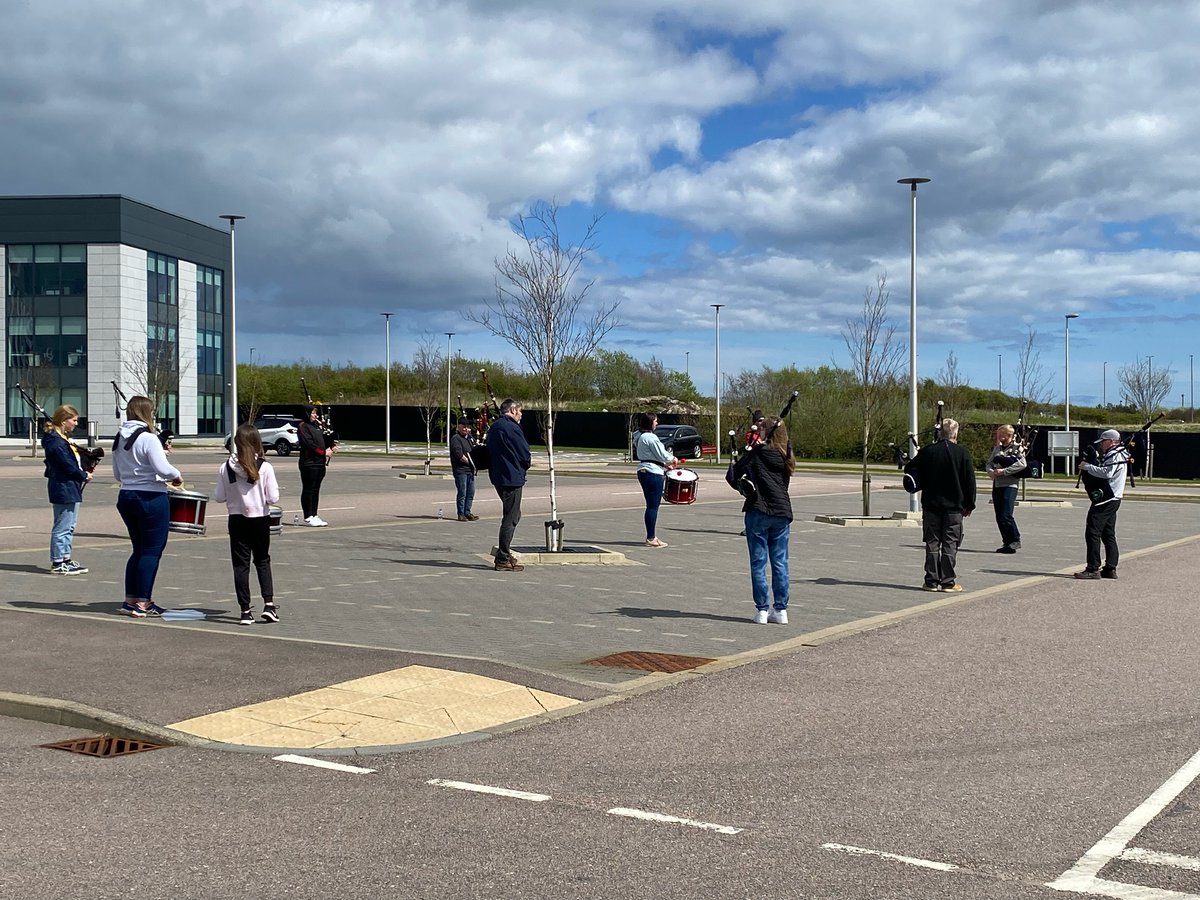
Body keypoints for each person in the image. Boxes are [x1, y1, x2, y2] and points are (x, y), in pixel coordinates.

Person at [112, 396, 183, 617]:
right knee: (152, 551)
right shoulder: (149, 438)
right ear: (146, 413)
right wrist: (177, 475)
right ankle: (143, 602)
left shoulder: (119, 438)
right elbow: (163, 469)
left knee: (138, 549)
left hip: (126, 495)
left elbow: (116, 473)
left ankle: (130, 599)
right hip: (150, 497)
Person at [214, 423, 281, 625]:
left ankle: (245, 611)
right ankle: (268, 605)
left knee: (240, 566)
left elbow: (218, 497)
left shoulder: (226, 467)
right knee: (262, 560)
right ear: (256, 442)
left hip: (236, 519)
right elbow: (273, 498)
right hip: (259, 519)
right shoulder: (265, 467)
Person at [903, 417, 977, 592]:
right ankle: (948, 581)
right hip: (954, 506)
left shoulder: (928, 451)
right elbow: (970, 482)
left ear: (939, 433)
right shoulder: (963, 453)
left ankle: (931, 581)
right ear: (955, 433)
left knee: (932, 542)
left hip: (931, 504)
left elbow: (909, 468)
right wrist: (969, 504)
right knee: (951, 542)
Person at [740, 416, 794, 625]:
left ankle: (762, 610)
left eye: (762, 429)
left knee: (758, 562)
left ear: (767, 432)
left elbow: (733, 473)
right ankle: (781, 610)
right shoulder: (785, 455)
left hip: (758, 510)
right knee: (780, 562)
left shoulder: (756, 453)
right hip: (782, 512)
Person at [42, 405, 92, 575]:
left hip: (70, 486)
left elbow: (73, 461)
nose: (76, 424)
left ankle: (65, 558)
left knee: (70, 524)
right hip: (63, 486)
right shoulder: (55, 441)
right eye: (74, 420)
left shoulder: (63, 439)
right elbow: (67, 465)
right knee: (63, 525)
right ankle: (57, 562)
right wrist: (82, 475)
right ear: (64, 421)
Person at [1075, 428, 1129, 580]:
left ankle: (1093, 568)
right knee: (1108, 533)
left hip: (1106, 497)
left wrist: (1087, 467)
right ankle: (1110, 568)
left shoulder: (1114, 454)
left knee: (1093, 531)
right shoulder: (1122, 453)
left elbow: (1107, 473)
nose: (1101, 445)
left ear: (1111, 441)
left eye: (1103, 442)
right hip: (1115, 497)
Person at [486, 398, 531, 572]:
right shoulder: (512, 427)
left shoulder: (495, 426)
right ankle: (503, 558)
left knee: (514, 514)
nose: (521, 415)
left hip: (498, 476)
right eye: (520, 411)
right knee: (511, 517)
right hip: (511, 477)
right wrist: (525, 464)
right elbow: (523, 452)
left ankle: (504, 554)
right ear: (512, 410)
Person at [633, 412, 678, 548]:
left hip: (643, 470)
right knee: (653, 506)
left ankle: (651, 536)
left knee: (650, 505)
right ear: (650, 423)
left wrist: (664, 466)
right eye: (655, 421)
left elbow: (650, 456)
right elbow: (662, 454)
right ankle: (651, 537)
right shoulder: (651, 437)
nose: (657, 423)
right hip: (652, 473)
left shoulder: (639, 436)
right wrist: (673, 459)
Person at [987, 424, 1026, 554]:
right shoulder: (997, 448)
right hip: (997, 484)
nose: (998, 437)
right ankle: (1007, 541)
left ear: (1007, 435)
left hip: (1010, 485)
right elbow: (990, 462)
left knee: (1006, 514)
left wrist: (1004, 471)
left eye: (1000, 434)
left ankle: (1015, 539)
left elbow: (1022, 464)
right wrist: (991, 472)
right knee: (999, 515)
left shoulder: (1017, 448)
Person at [297, 405, 335, 526]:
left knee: (316, 489)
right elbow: (310, 444)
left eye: (315, 413)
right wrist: (324, 452)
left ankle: (314, 514)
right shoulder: (303, 426)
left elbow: (324, 440)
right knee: (309, 489)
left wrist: (331, 445)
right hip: (309, 463)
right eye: (313, 413)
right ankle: (308, 516)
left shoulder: (316, 426)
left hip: (319, 463)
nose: (315, 415)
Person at [449, 417, 479, 521]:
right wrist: (471, 463)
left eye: (467, 427)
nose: (466, 429)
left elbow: (475, 451)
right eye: (464, 426)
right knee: (462, 492)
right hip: (461, 470)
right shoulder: (456, 439)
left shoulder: (469, 438)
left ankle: (467, 512)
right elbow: (459, 455)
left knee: (471, 492)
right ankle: (460, 513)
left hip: (470, 470)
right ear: (459, 427)